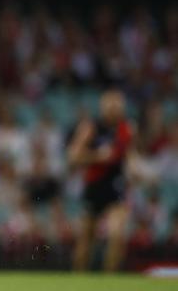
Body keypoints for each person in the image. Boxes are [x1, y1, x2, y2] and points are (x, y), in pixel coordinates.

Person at [67, 89, 134, 272]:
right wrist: (97, 156)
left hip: (115, 186)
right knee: (85, 241)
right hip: (94, 186)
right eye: (110, 106)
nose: (114, 110)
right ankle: (78, 280)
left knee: (117, 234)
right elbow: (73, 155)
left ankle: (109, 280)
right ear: (102, 107)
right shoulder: (91, 127)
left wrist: (135, 171)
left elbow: (129, 157)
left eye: (117, 106)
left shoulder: (126, 129)